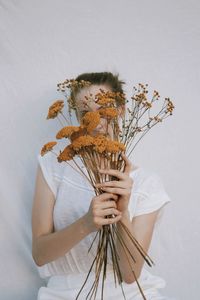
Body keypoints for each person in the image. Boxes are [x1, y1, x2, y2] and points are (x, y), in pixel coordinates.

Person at [32, 72, 173, 300]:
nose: (95, 123)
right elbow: (39, 254)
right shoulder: (53, 166)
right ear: (76, 116)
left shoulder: (148, 183)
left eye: (103, 110)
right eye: (85, 113)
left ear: (121, 110)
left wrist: (122, 211)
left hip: (131, 294)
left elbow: (130, 275)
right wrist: (86, 224)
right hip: (63, 292)